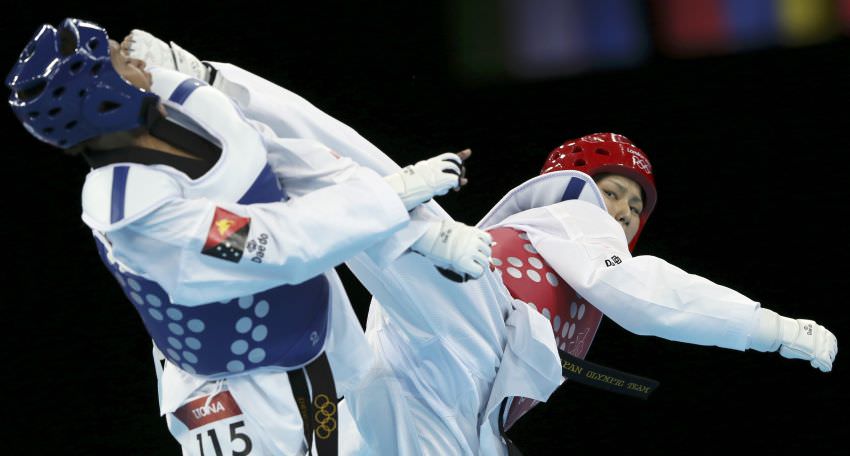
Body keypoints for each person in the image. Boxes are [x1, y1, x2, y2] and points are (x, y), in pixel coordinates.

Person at [123, 31, 839, 456]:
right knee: (358, 183)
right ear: (576, 182)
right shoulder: (572, 213)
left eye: (633, 205)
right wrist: (769, 329)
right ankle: (193, 80)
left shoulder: (570, 259)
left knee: (350, 195)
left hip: (436, 395)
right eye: (613, 191)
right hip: (471, 314)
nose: (618, 211)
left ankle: (196, 107)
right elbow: (647, 297)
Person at [6, 18, 494, 456]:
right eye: (117, 57)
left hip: (315, 323)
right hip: (233, 388)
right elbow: (273, 246)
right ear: (103, 98)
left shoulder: (181, 99)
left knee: (376, 435)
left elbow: (291, 166)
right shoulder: (136, 213)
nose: (133, 54)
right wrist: (391, 195)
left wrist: (412, 232)